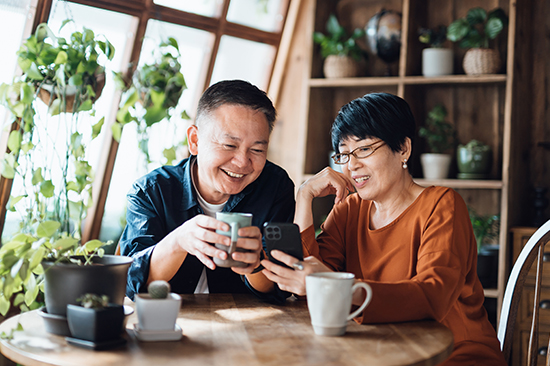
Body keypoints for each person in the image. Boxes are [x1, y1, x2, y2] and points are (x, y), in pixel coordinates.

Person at [261, 93, 507, 365]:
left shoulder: (442, 205)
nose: (352, 165)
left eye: (364, 149)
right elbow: (312, 278)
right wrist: (304, 196)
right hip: (382, 351)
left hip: (454, 353)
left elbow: (432, 296)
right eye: (344, 154)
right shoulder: (349, 209)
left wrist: (336, 288)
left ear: (403, 148)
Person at [120, 80, 295, 303]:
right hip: (169, 320)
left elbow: (280, 287)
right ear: (195, 140)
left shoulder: (275, 187)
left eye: (257, 149)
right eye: (229, 145)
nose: (242, 162)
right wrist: (179, 241)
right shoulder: (151, 192)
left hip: (248, 327)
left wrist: (255, 265)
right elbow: (134, 284)